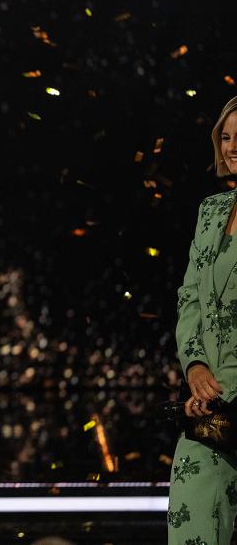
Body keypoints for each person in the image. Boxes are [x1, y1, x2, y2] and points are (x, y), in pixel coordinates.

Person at [169, 96, 237, 544]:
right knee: (191, 519)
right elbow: (190, 295)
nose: (232, 147)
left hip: (228, 391)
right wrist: (195, 369)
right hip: (211, 407)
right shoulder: (210, 210)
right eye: (226, 137)